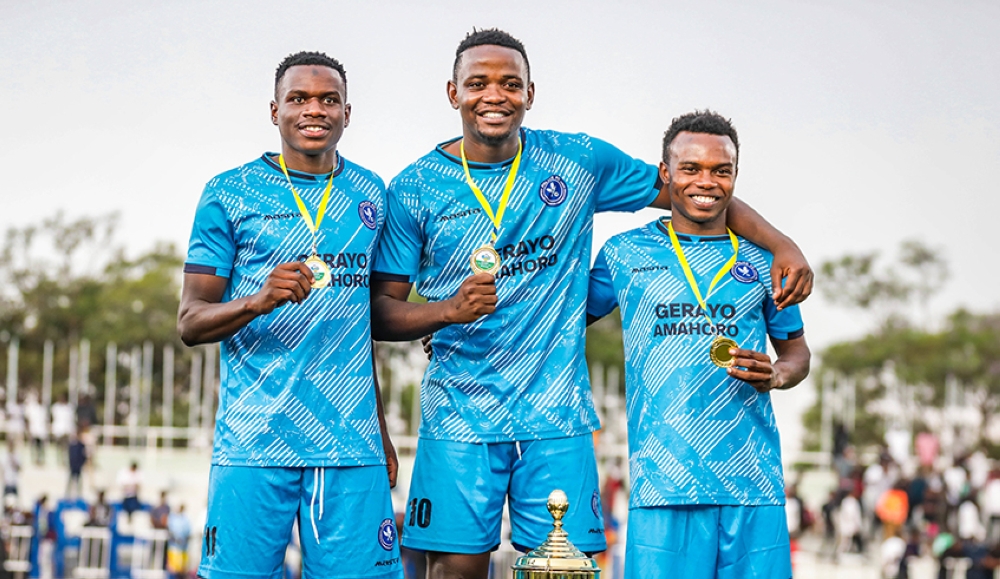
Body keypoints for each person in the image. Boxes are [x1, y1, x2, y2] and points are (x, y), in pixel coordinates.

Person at [370, 29, 812, 579]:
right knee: (454, 571)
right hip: (459, 414)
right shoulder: (414, 187)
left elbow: (689, 189)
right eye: (478, 83)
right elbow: (379, 314)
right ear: (452, 92)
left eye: (510, 83)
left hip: (558, 414)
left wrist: (781, 243)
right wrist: (445, 311)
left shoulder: (578, 160)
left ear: (531, 92)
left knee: (563, 571)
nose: (495, 96)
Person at [176, 51, 402, 579]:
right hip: (255, 441)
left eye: (328, 99)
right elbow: (189, 322)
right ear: (274, 111)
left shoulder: (372, 192)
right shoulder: (229, 192)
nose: (313, 110)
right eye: (298, 98)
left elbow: (359, 324)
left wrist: (382, 430)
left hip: (350, 444)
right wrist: (257, 299)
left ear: (348, 113)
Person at [585, 111, 811, 578]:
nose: (705, 181)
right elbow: (556, 316)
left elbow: (797, 353)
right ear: (666, 174)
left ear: (734, 176)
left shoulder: (765, 261)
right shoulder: (624, 254)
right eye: (690, 169)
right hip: (663, 482)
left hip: (753, 483)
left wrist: (779, 373)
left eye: (720, 170)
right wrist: (460, 321)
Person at [66, 431, 87, 498]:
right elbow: (70, 456)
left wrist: (81, 464)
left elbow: (84, 456)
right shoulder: (72, 445)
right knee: (70, 482)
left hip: (78, 466)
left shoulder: (81, 445)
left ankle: (79, 496)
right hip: (72, 466)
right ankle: (68, 495)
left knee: (78, 483)